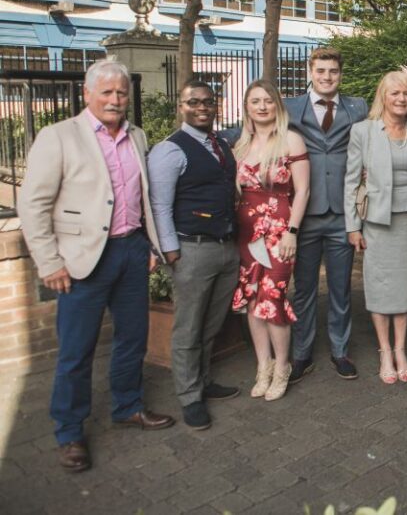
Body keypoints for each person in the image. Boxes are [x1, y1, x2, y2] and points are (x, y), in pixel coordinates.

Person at [18, 60, 174, 473]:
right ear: (87, 94)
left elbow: (142, 196)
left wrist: (150, 245)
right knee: (76, 351)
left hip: (130, 251)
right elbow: (33, 204)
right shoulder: (59, 136)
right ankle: (69, 432)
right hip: (82, 260)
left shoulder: (136, 135)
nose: (115, 99)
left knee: (133, 340)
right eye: (106, 92)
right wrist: (49, 261)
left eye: (121, 92)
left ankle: (128, 406)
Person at [147, 80, 240, 431]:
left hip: (225, 248)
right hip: (191, 250)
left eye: (208, 101)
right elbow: (159, 205)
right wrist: (170, 251)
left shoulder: (219, 143)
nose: (202, 107)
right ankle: (189, 397)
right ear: (181, 107)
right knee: (188, 327)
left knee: (212, 322)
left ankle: (202, 381)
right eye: (193, 102)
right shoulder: (170, 150)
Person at [283, 47, 368, 384]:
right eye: (320, 71)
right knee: (303, 289)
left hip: (341, 214)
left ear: (340, 74)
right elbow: (255, 128)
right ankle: (302, 353)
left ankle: (340, 350)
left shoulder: (357, 107)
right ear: (310, 71)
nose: (327, 76)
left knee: (340, 287)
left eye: (333, 71)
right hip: (303, 214)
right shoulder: (291, 107)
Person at [345, 70, 407, 384]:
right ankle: (384, 351)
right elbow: (351, 181)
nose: (401, 99)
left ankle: (401, 349)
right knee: (380, 285)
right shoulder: (363, 131)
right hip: (377, 222)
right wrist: (353, 226)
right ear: (383, 95)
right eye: (395, 93)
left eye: (406, 94)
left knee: (406, 285)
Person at [232, 80, 310, 401]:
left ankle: (282, 367)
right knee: (252, 298)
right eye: (255, 101)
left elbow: (303, 190)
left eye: (267, 100)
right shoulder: (239, 146)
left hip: (280, 232)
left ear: (277, 106)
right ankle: (262, 365)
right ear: (247, 108)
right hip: (247, 234)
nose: (262, 106)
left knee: (272, 297)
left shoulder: (291, 140)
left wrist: (292, 230)